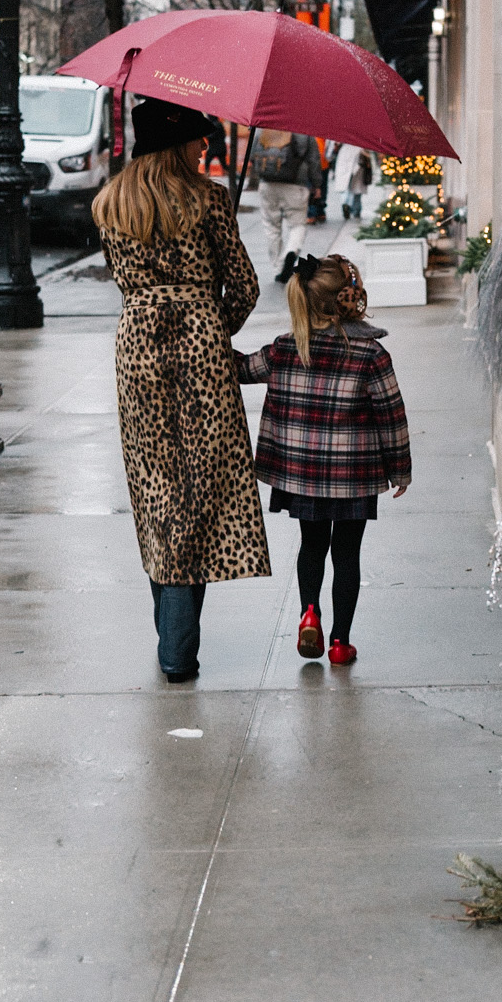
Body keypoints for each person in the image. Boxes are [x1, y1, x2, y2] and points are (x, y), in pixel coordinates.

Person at [94, 97, 270, 682]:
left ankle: (171, 636)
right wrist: (207, 324)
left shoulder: (109, 203)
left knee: (157, 490)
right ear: (177, 144)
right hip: (200, 356)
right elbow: (243, 287)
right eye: (197, 139)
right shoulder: (209, 199)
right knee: (198, 492)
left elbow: (122, 281)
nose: (204, 148)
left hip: (139, 348)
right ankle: (177, 647)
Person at [235, 253, 411, 665]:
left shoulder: (285, 349)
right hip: (352, 475)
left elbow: (239, 369)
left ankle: (308, 612)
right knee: (347, 553)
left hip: (301, 475)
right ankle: (339, 642)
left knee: (311, 545)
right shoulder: (370, 354)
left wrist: (205, 335)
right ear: (350, 299)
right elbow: (391, 413)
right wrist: (399, 468)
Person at [251, 129, 322, 282]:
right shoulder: (305, 133)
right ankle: (291, 252)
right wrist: (317, 185)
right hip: (296, 185)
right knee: (298, 225)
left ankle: (278, 266)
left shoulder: (263, 129)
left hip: (267, 184)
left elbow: (253, 156)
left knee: (272, 227)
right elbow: (314, 161)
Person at [341, 148, 373, 221]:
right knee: (356, 191)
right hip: (359, 165)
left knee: (349, 188)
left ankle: (348, 204)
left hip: (352, 165)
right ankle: (355, 210)